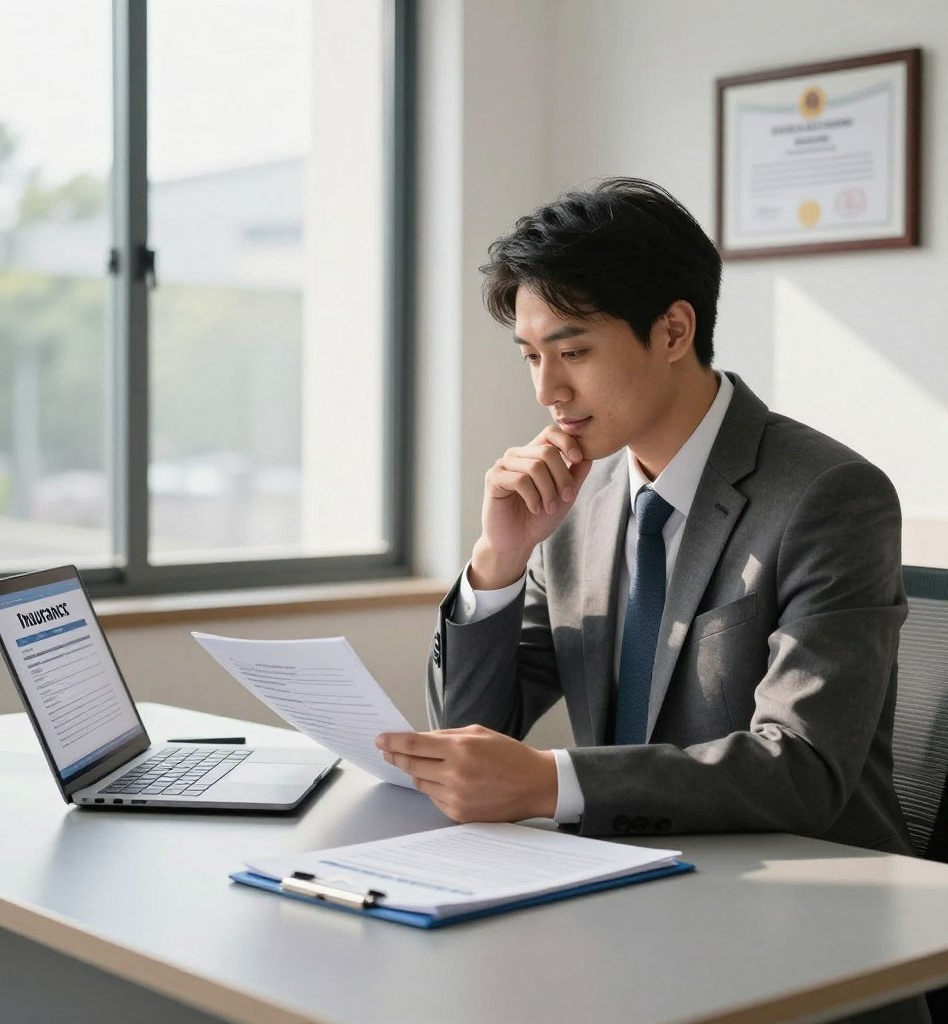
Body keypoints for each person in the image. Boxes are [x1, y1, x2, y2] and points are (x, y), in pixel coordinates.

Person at [375, 177, 929, 1024]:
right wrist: (498, 556)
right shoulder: (575, 503)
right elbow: (477, 725)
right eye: (531, 356)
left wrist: (546, 783)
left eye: (574, 350)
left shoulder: (828, 495)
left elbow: (804, 771)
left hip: (805, 938)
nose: (546, 392)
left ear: (674, 330)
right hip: (622, 917)